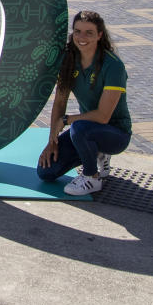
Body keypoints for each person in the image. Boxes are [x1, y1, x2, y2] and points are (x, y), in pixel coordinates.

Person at [37, 10, 132, 196]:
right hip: (87, 130)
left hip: (115, 134)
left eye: (89, 32)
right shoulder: (69, 59)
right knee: (45, 172)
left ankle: (92, 177)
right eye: (77, 31)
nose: (82, 37)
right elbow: (59, 102)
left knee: (79, 128)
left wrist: (66, 120)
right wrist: (52, 142)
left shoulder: (113, 66)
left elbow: (103, 117)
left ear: (99, 35)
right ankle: (96, 152)